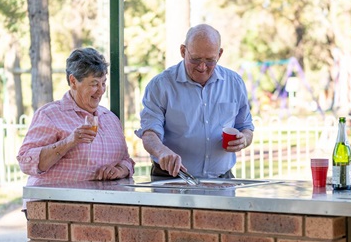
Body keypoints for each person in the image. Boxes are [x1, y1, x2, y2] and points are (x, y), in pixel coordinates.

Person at [135, 24, 254, 179]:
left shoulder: (234, 83)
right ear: (183, 51)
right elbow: (149, 134)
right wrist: (162, 151)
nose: (202, 67)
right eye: (195, 59)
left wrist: (244, 139)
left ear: (220, 54)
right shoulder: (161, 85)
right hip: (172, 179)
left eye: (210, 60)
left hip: (222, 180)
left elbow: (246, 127)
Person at [17, 47, 135, 192]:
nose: (101, 90)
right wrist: (69, 141)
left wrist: (120, 170)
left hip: (98, 205)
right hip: (53, 203)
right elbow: (26, 162)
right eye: (94, 84)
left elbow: (127, 161)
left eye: (103, 83)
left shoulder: (110, 119)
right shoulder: (50, 115)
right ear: (73, 81)